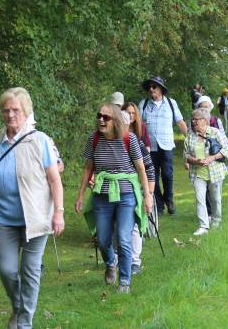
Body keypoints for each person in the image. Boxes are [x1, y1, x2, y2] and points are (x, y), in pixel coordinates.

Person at [0, 87, 65, 329]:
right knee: (6, 270)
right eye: (6, 110)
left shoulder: (39, 140)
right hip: (5, 219)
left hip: (36, 218)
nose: (11, 114)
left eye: (16, 110)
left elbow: (54, 179)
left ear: (26, 111)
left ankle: (23, 323)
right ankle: (19, 307)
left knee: (30, 271)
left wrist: (59, 213)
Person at [75, 103, 152, 293]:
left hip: (126, 195)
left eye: (106, 117)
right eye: (99, 115)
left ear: (115, 120)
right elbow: (87, 168)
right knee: (102, 238)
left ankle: (125, 281)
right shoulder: (93, 139)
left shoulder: (129, 139)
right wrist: (80, 195)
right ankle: (111, 262)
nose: (101, 119)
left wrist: (148, 196)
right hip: (102, 195)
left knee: (124, 238)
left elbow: (141, 168)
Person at [138, 76, 188, 215]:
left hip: (166, 145)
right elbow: (137, 124)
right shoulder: (144, 104)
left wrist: (191, 139)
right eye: (150, 87)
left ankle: (169, 199)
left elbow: (180, 122)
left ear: (161, 89)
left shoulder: (171, 103)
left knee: (167, 174)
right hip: (149, 147)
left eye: (154, 87)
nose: (151, 89)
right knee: (152, 176)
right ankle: (159, 205)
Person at [183, 108, 228, 236]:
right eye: (192, 119)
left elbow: (226, 150)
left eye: (196, 119)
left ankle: (216, 221)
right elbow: (185, 154)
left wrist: (212, 158)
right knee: (200, 199)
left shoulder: (215, 132)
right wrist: (194, 160)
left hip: (215, 172)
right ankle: (203, 226)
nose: (193, 122)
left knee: (215, 199)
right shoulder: (190, 136)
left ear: (204, 120)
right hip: (197, 173)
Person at [120, 107, 156, 275]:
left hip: (136, 189)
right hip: (114, 190)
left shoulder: (136, 142)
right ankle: (117, 260)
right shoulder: (106, 141)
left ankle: (135, 261)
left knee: (134, 225)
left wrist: (149, 194)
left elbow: (148, 169)